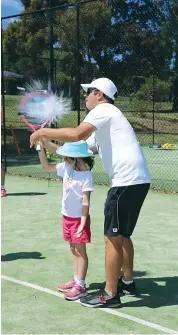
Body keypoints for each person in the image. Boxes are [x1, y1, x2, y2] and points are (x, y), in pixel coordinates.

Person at [30, 77, 151, 308]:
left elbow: (77, 134)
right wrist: (47, 143)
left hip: (126, 181)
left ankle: (109, 294)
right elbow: (78, 149)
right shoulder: (106, 120)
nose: (85, 95)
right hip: (138, 180)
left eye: (90, 91)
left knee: (112, 237)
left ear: (101, 95)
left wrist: (42, 130)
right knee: (123, 234)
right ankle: (127, 282)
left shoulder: (104, 109)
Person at [38, 139, 94, 301]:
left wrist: (83, 223)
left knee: (81, 251)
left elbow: (85, 202)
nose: (63, 159)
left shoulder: (86, 176)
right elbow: (46, 167)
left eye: (66, 156)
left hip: (78, 220)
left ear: (76, 158)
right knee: (73, 249)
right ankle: (76, 279)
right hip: (67, 217)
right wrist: (40, 149)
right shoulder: (66, 167)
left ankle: (81, 285)